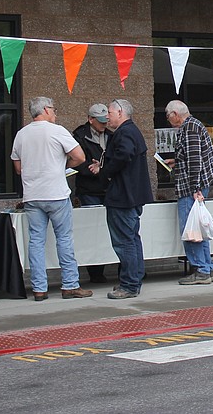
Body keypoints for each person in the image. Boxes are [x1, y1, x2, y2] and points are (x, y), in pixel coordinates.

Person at [10, 97, 93, 301]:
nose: (55, 114)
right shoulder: (57, 131)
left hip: (32, 195)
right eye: (54, 110)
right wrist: (61, 166)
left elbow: (18, 168)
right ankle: (70, 285)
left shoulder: (21, 134)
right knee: (64, 239)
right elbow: (80, 157)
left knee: (36, 241)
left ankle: (39, 288)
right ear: (46, 110)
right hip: (56, 193)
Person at [92, 99, 155, 298]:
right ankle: (133, 280)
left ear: (120, 112)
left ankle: (129, 284)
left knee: (125, 241)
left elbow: (124, 154)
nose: (107, 116)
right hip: (131, 195)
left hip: (123, 196)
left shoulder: (125, 132)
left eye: (109, 112)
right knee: (132, 239)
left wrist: (106, 170)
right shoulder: (131, 130)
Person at [165, 99, 213, 285]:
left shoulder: (189, 128)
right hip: (195, 185)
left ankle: (201, 269)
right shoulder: (194, 125)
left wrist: (196, 188)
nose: (168, 120)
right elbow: (192, 156)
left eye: (168, 116)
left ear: (175, 114)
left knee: (191, 230)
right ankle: (208, 268)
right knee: (199, 227)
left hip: (190, 187)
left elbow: (195, 161)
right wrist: (177, 161)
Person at [72, 103, 111, 284]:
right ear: (90, 119)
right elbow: (75, 161)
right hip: (89, 188)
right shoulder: (79, 136)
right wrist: (91, 169)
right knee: (92, 231)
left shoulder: (111, 135)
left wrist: (103, 168)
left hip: (108, 188)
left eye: (106, 121)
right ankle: (95, 272)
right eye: (101, 121)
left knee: (109, 229)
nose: (104, 125)